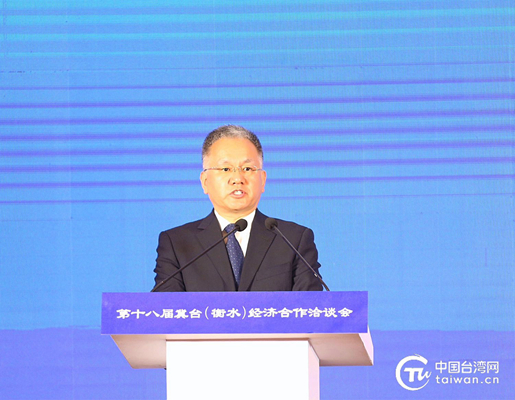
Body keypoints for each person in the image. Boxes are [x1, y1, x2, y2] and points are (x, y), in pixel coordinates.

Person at [152, 125, 323, 291]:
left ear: (263, 180)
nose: (237, 178)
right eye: (225, 169)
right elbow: (166, 307)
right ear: (205, 182)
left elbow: (310, 306)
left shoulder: (293, 240)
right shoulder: (177, 243)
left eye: (247, 168)